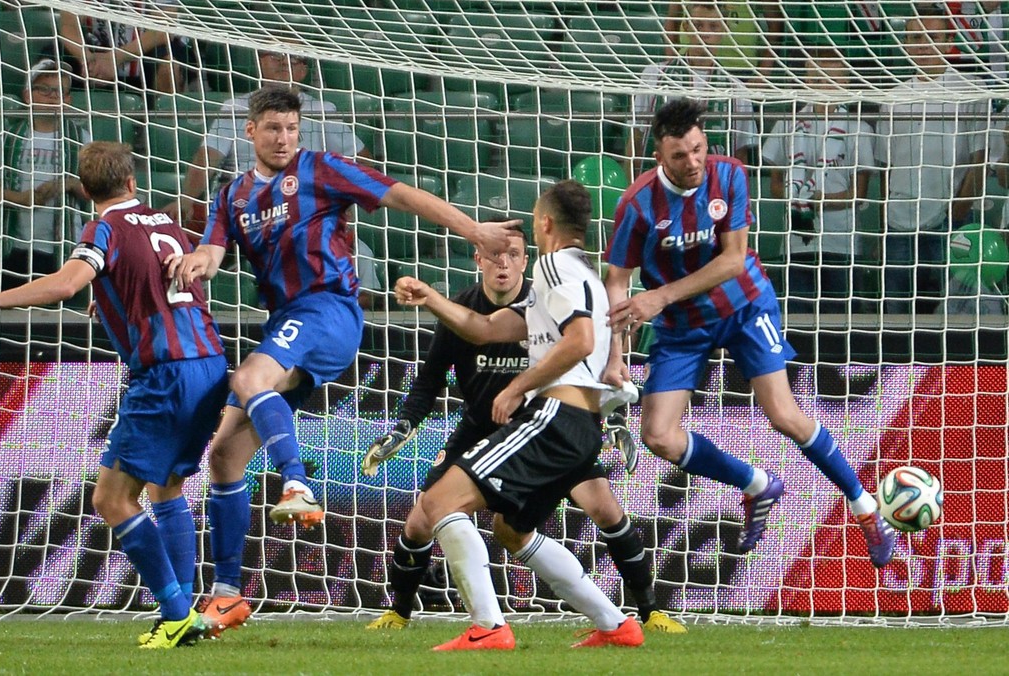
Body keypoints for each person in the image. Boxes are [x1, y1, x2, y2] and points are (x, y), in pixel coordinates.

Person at [166, 84, 515, 637]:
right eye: (273, 129)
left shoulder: (320, 169)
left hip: (330, 309)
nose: (283, 139)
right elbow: (213, 248)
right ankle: (227, 595)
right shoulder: (231, 195)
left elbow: (400, 194)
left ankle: (297, 483)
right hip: (289, 320)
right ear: (250, 131)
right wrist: (197, 261)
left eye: (291, 129)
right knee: (225, 457)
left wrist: (473, 230)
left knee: (251, 375)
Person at [0, 142, 230, 649]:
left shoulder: (104, 228)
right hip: (209, 362)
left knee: (110, 497)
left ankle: (175, 613)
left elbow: (65, 284)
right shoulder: (163, 222)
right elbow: (159, 277)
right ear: (132, 183)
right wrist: (114, 296)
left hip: (164, 371)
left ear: (84, 188)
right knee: (167, 488)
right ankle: (184, 613)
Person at [603, 98, 897, 572]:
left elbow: (733, 259)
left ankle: (865, 509)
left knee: (784, 414)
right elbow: (616, 280)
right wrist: (616, 355)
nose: (694, 161)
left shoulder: (731, 174)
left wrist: (659, 297)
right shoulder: (636, 204)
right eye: (680, 155)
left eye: (699, 148)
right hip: (683, 326)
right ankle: (757, 483)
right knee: (658, 435)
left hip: (743, 306)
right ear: (660, 156)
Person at [363, 223, 686, 634]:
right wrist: (404, 426)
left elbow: (591, 358)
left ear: (525, 260)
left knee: (604, 507)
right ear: (477, 258)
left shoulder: (550, 301)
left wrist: (616, 415)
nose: (503, 263)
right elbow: (429, 382)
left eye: (512, 254)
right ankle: (400, 612)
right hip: (481, 427)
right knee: (422, 518)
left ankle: (649, 611)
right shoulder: (461, 311)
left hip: (543, 426)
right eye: (494, 254)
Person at [393, 180, 643, 650]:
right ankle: (616, 625)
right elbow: (486, 328)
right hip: (581, 429)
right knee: (512, 530)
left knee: (438, 502)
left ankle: (488, 627)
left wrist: (517, 385)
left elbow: (582, 340)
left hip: (554, 417)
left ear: (544, 224)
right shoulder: (581, 272)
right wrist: (431, 298)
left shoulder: (552, 267)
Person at [163, 45, 373, 221]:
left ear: (303, 71)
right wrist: (186, 198)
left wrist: (343, 200)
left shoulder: (322, 111)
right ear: (261, 63)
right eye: (276, 54)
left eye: (294, 57)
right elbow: (207, 157)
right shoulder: (236, 107)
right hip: (247, 204)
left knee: (362, 256)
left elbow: (363, 161)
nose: (284, 62)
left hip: (305, 205)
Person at [877, 3, 990, 315]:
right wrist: (885, 223)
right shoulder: (892, 99)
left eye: (931, 35)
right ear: (904, 43)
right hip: (899, 224)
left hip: (950, 222)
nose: (923, 44)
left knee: (951, 313)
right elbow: (887, 167)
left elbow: (981, 160)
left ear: (947, 39)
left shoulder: (971, 90)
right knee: (897, 313)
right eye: (914, 37)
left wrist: (957, 212)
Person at [760, 47, 876, 315]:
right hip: (797, 244)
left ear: (845, 81)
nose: (823, 82)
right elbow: (776, 185)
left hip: (842, 244)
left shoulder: (859, 127)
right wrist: (798, 198)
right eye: (816, 76)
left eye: (831, 76)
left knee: (844, 325)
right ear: (806, 80)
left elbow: (859, 193)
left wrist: (818, 200)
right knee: (796, 321)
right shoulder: (787, 124)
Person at [0, 59, 92, 289]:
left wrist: (68, 184)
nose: (52, 96)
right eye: (44, 89)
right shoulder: (11, 136)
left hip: (65, 248)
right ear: (28, 95)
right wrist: (20, 198)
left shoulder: (81, 138)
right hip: (17, 246)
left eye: (60, 91)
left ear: (68, 100)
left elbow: (95, 193)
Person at [630, 1, 758, 180]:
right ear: (686, 26)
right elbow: (636, 138)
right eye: (698, 25)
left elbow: (739, 156)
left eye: (713, 26)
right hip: (658, 187)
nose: (705, 33)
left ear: (724, 29)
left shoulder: (737, 91)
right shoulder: (653, 76)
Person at [57, 4, 187, 94]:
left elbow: (163, 29)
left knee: (169, 66)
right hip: (96, 49)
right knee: (53, 54)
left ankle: (165, 127)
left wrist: (115, 59)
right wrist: (87, 59)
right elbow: (69, 25)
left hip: (145, 47)